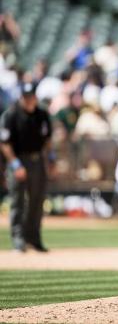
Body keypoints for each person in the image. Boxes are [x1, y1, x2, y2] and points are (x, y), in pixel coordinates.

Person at [0, 83, 54, 252]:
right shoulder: (11, 115)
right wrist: (15, 165)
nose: (29, 99)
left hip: (37, 160)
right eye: (26, 96)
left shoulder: (42, 114)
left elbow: (47, 140)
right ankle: (18, 238)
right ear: (21, 97)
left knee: (37, 201)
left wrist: (50, 160)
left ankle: (34, 238)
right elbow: (5, 143)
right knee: (18, 201)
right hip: (18, 160)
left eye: (31, 96)